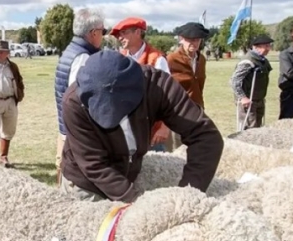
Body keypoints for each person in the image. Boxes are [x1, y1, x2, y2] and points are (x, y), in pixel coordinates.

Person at [60, 48, 223, 202]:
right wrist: (135, 200)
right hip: (86, 185)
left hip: (129, 175)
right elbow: (93, 163)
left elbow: (206, 137)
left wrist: (187, 195)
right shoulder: (74, 102)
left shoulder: (158, 86)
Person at [53, 8, 105, 184]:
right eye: (103, 32)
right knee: (72, 179)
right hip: (74, 132)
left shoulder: (71, 50)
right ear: (93, 33)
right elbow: (79, 100)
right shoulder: (82, 57)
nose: (103, 36)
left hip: (66, 128)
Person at [110, 16, 171, 151]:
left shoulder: (157, 59)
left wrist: (164, 127)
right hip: (126, 131)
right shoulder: (120, 58)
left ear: (138, 32)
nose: (120, 37)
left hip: (152, 132)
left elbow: (169, 96)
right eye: (118, 34)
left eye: (124, 33)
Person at [164, 21, 211, 151]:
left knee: (195, 148)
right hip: (177, 112)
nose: (194, 43)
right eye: (189, 40)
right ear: (181, 40)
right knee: (176, 149)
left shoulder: (201, 59)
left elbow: (199, 84)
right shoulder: (171, 59)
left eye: (197, 40)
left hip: (197, 109)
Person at [230, 35, 274, 130]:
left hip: (259, 100)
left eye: (269, 46)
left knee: (257, 129)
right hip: (248, 102)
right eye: (265, 46)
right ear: (255, 47)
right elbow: (234, 80)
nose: (268, 49)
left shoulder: (263, 60)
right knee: (248, 129)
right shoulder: (248, 61)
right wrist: (243, 97)